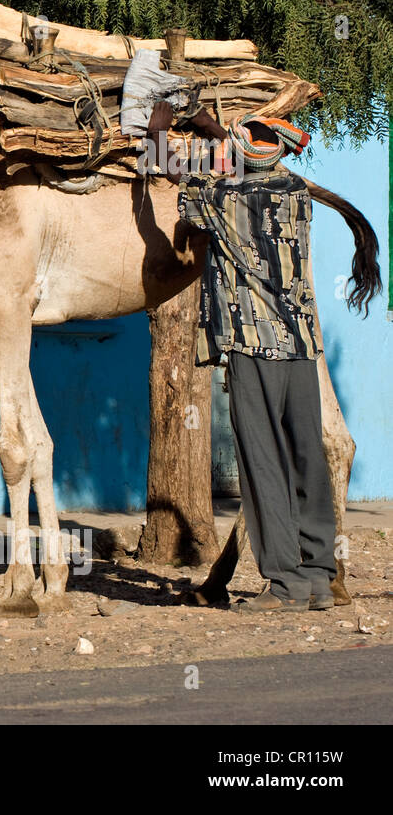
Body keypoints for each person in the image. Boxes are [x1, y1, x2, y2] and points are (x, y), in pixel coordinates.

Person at [150, 102, 335, 613]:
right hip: (301, 345)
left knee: (262, 461)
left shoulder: (226, 198)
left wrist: (161, 122)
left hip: (254, 344)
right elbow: (246, 157)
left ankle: (285, 583)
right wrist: (214, 126)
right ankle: (319, 575)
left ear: (237, 161)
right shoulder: (294, 190)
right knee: (305, 455)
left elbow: (165, 165)